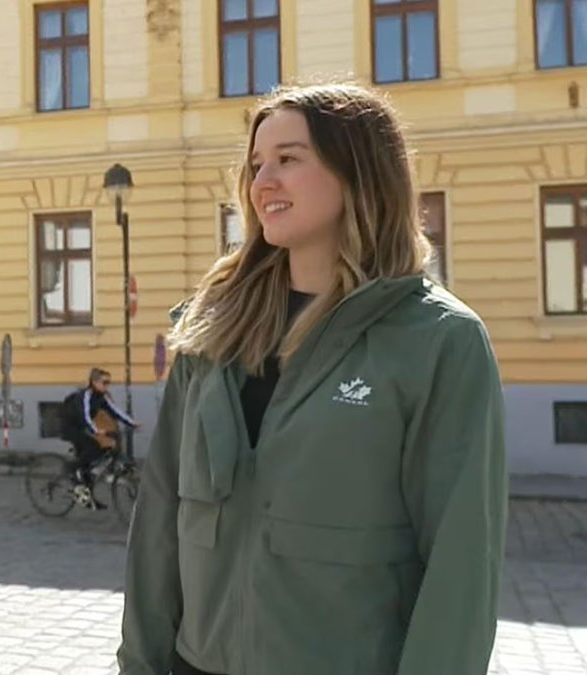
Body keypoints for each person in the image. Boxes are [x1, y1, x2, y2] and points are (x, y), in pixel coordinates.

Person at [118, 83, 505, 675]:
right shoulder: (212, 331)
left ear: (358, 170)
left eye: (288, 159)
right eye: (255, 165)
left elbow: (461, 565)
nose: (262, 182)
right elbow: (159, 521)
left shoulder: (438, 341)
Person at [60, 367, 140, 509]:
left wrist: (132, 423)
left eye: (109, 382)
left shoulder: (101, 397)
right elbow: (84, 417)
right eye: (104, 382)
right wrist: (96, 431)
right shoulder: (85, 396)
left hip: (84, 426)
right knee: (93, 448)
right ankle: (71, 469)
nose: (107, 385)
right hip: (71, 427)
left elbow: (115, 411)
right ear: (94, 382)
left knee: (99, 455)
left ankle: (87, 495)